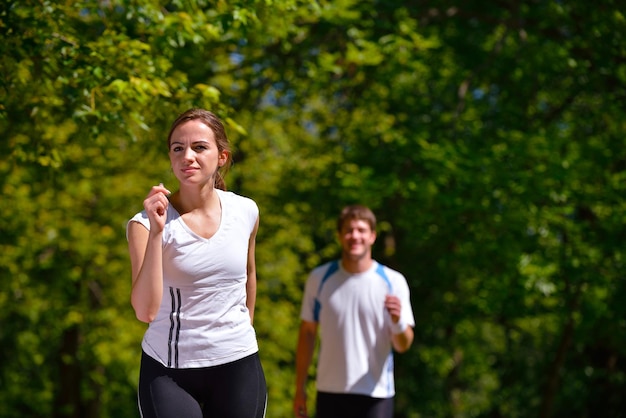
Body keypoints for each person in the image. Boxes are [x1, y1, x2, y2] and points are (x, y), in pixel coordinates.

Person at [127, 108, 267, 418]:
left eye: (199, 147)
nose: (187, 156)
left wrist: (240, 334)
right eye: (178, 148)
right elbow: (145, 310)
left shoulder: (246, 211)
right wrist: (157, 233)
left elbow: (248, 275)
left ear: (222, 157)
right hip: (170, 371)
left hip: (238, 363)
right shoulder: (145, 225)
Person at [294, 205, 415, 418]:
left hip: (376, 394)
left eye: (361, 230)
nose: (355, 236)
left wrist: (397, 321)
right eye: (349, 230)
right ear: (340, 236)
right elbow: (307, 334)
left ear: (373, 236)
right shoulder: (319, 279)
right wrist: (299, 389)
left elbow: (403, 344)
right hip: (330, 392)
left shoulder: (393, 282)